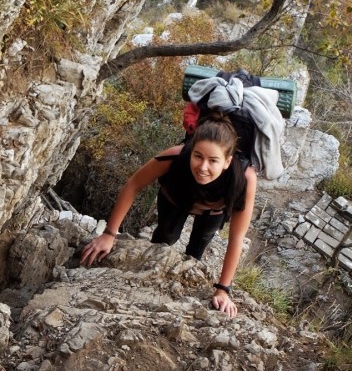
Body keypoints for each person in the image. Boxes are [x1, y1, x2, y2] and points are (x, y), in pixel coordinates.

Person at [80, 111, 257, 318]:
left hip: (214, 209)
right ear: (191, 150)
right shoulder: (175, 156)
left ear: (227, 161)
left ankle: (188, 269)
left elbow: (236, 237)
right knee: (165, 237)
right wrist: (109, 234)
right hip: (176, 198)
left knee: (197, 249)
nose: (203, 167)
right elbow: (133, 185)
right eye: (198, 156)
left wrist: (223, 289)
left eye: (213, 160)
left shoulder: (244, 178)